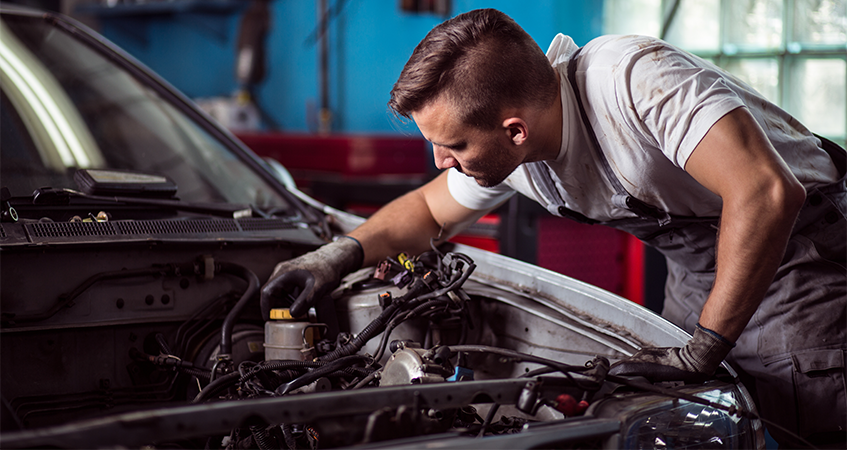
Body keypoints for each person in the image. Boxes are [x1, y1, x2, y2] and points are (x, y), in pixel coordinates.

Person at [262, 8, 847, 449]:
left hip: (803, 245)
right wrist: (338, 255)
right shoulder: (515, 153)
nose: (441, 161)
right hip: (700, 259)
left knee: (798, 413)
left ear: (515, 130)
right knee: (686, 415)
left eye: (452, 146)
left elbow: (767, 192)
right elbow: (428, 212)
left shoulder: (635, 82)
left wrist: (704, 345)